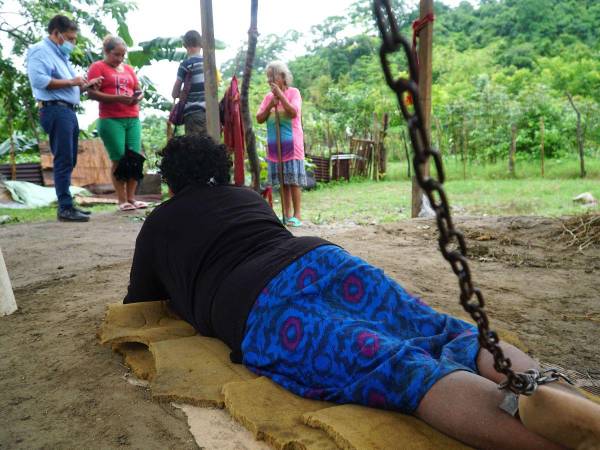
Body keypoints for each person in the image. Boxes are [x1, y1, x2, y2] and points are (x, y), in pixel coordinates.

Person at [123, 135, 598, 450]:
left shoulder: (159, 221)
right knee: (444, 331)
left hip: (264, 307)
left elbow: (139, 305)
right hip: (324, 261)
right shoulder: (246, 197)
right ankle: (555, 396)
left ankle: (556, 442)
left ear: (170, 179)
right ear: (220, 168)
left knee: (398, 366)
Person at [26, 14, 103, 222]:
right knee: (63, 159)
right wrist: (72, 81)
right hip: (55, 110)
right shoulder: (39, 51)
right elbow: (39, 80)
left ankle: (67, 203)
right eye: (70, 38)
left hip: (66, 110)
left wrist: (85, 85)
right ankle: (65, 207)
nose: (72, 43)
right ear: (56, 33)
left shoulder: (60, 56)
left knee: (70, 159)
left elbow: (70, 84)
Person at [87, 35, 148, 211]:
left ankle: (132, 198)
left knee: (134, 159)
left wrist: (137, 98)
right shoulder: (97, 67)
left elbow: (138, 90)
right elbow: (91, 94)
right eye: (116, 55)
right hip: (111, 119)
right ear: (106, 52)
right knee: (119, 159)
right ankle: (121, 200)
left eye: (123, 55)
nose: (120, 59)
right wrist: (118, 98)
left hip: (132, 117)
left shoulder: (128, 69)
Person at [256, 61, 306, 227]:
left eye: (273, 76)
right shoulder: (268, 98)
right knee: (283, 182)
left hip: (292, 144)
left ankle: (297, 215)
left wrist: (281, 96)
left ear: (283, 77)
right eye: (268, 76)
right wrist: (271, 102)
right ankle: (285, 214)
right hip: (274, 146)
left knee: (293, 181)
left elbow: (293, 112)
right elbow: (259, 118)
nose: (269, 79)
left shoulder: (294, 92)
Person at [171, 30, 206, 136]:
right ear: (201, 44)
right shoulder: (208, 62)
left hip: (193, 113)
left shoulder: (185, 64)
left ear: (185, 45)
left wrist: (177, 94)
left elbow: (175, 91)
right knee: (209, 147)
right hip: (211, 113)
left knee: (194, 148)